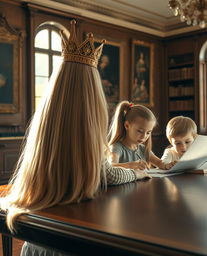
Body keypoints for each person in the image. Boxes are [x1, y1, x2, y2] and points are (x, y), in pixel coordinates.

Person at [0, 20, 150, 255]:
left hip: (37, 245)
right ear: (92, 97)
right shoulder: (87, 135)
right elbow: (109, 175)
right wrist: (137, 172)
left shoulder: (44, 129)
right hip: (72, 243)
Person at [108, 100, 174, 170]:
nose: (144, 137)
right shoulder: (116, 147)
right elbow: (110, 167)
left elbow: (160, 163)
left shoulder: (143, 149)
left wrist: (170, 165)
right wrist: (130, 165)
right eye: (140, 131)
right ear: (127, 125)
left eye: (148, 133)